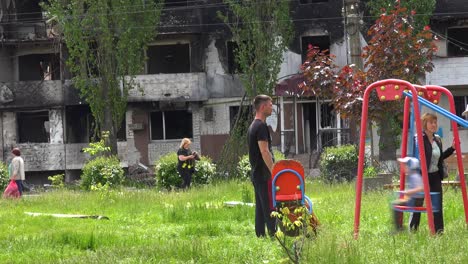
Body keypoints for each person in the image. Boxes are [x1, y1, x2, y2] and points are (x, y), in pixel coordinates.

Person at [410, 113, 456, 233]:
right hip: (421, 175)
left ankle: (439, 231)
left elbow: (441, 157)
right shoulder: (418, 138)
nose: (434, 125)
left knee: (437, 204)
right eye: (431, 122)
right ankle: (413, 230)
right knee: (418, 203)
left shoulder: (437, 140)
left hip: (435, 175)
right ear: (425, 124)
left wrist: (452, 148)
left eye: (435, 122)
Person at [247, 94, 276, 237]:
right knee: (270, 206)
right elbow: (265, 151)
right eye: (270, 105)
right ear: (263, 107)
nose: (272, 107)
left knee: (260, 207)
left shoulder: (253, 126)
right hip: (264, 174)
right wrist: (274, 171)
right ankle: (274, 235)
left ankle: (260, 235)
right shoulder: (261, 126)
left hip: (256, 173)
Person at [392, 157, 424, 231]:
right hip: (415, 199)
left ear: (410, 166)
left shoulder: (414, 176)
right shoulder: (414, 175)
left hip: (415, 201)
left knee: (395, 204)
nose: (402, 167)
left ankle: (399, 228)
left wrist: (408, 192)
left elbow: (421, 188)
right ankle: (400, 227)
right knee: (397, 203)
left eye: (405, 165)